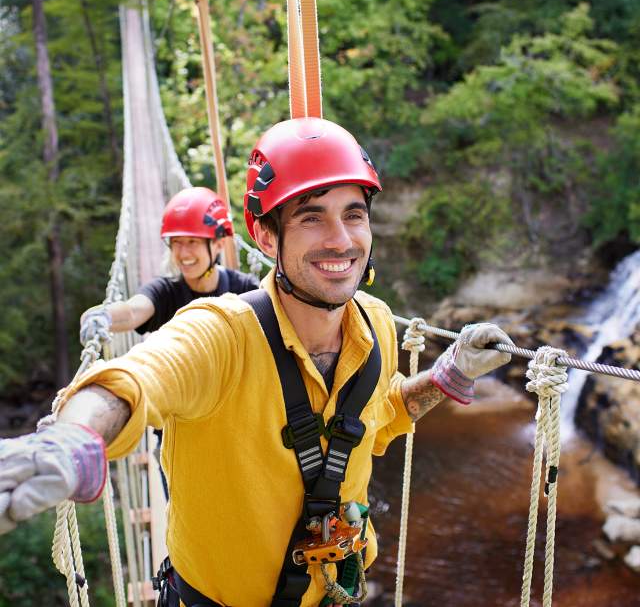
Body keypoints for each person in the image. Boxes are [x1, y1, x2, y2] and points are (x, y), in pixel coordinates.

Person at [0, 118, 514, 607]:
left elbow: (380, 415)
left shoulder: (376, 325)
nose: (341, 238)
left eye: (353, 214)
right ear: (266, 237)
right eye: (311, 216)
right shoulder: (221, 333)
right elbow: (136, 379)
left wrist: (448, 376)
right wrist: (74, 439)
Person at [79, 186, 258, 343]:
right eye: (176, 242)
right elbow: (133, 311)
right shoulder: (166, 292)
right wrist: (104, 316)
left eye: (192, 242)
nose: (182, 253)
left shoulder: (245, 290)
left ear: (218, 244)